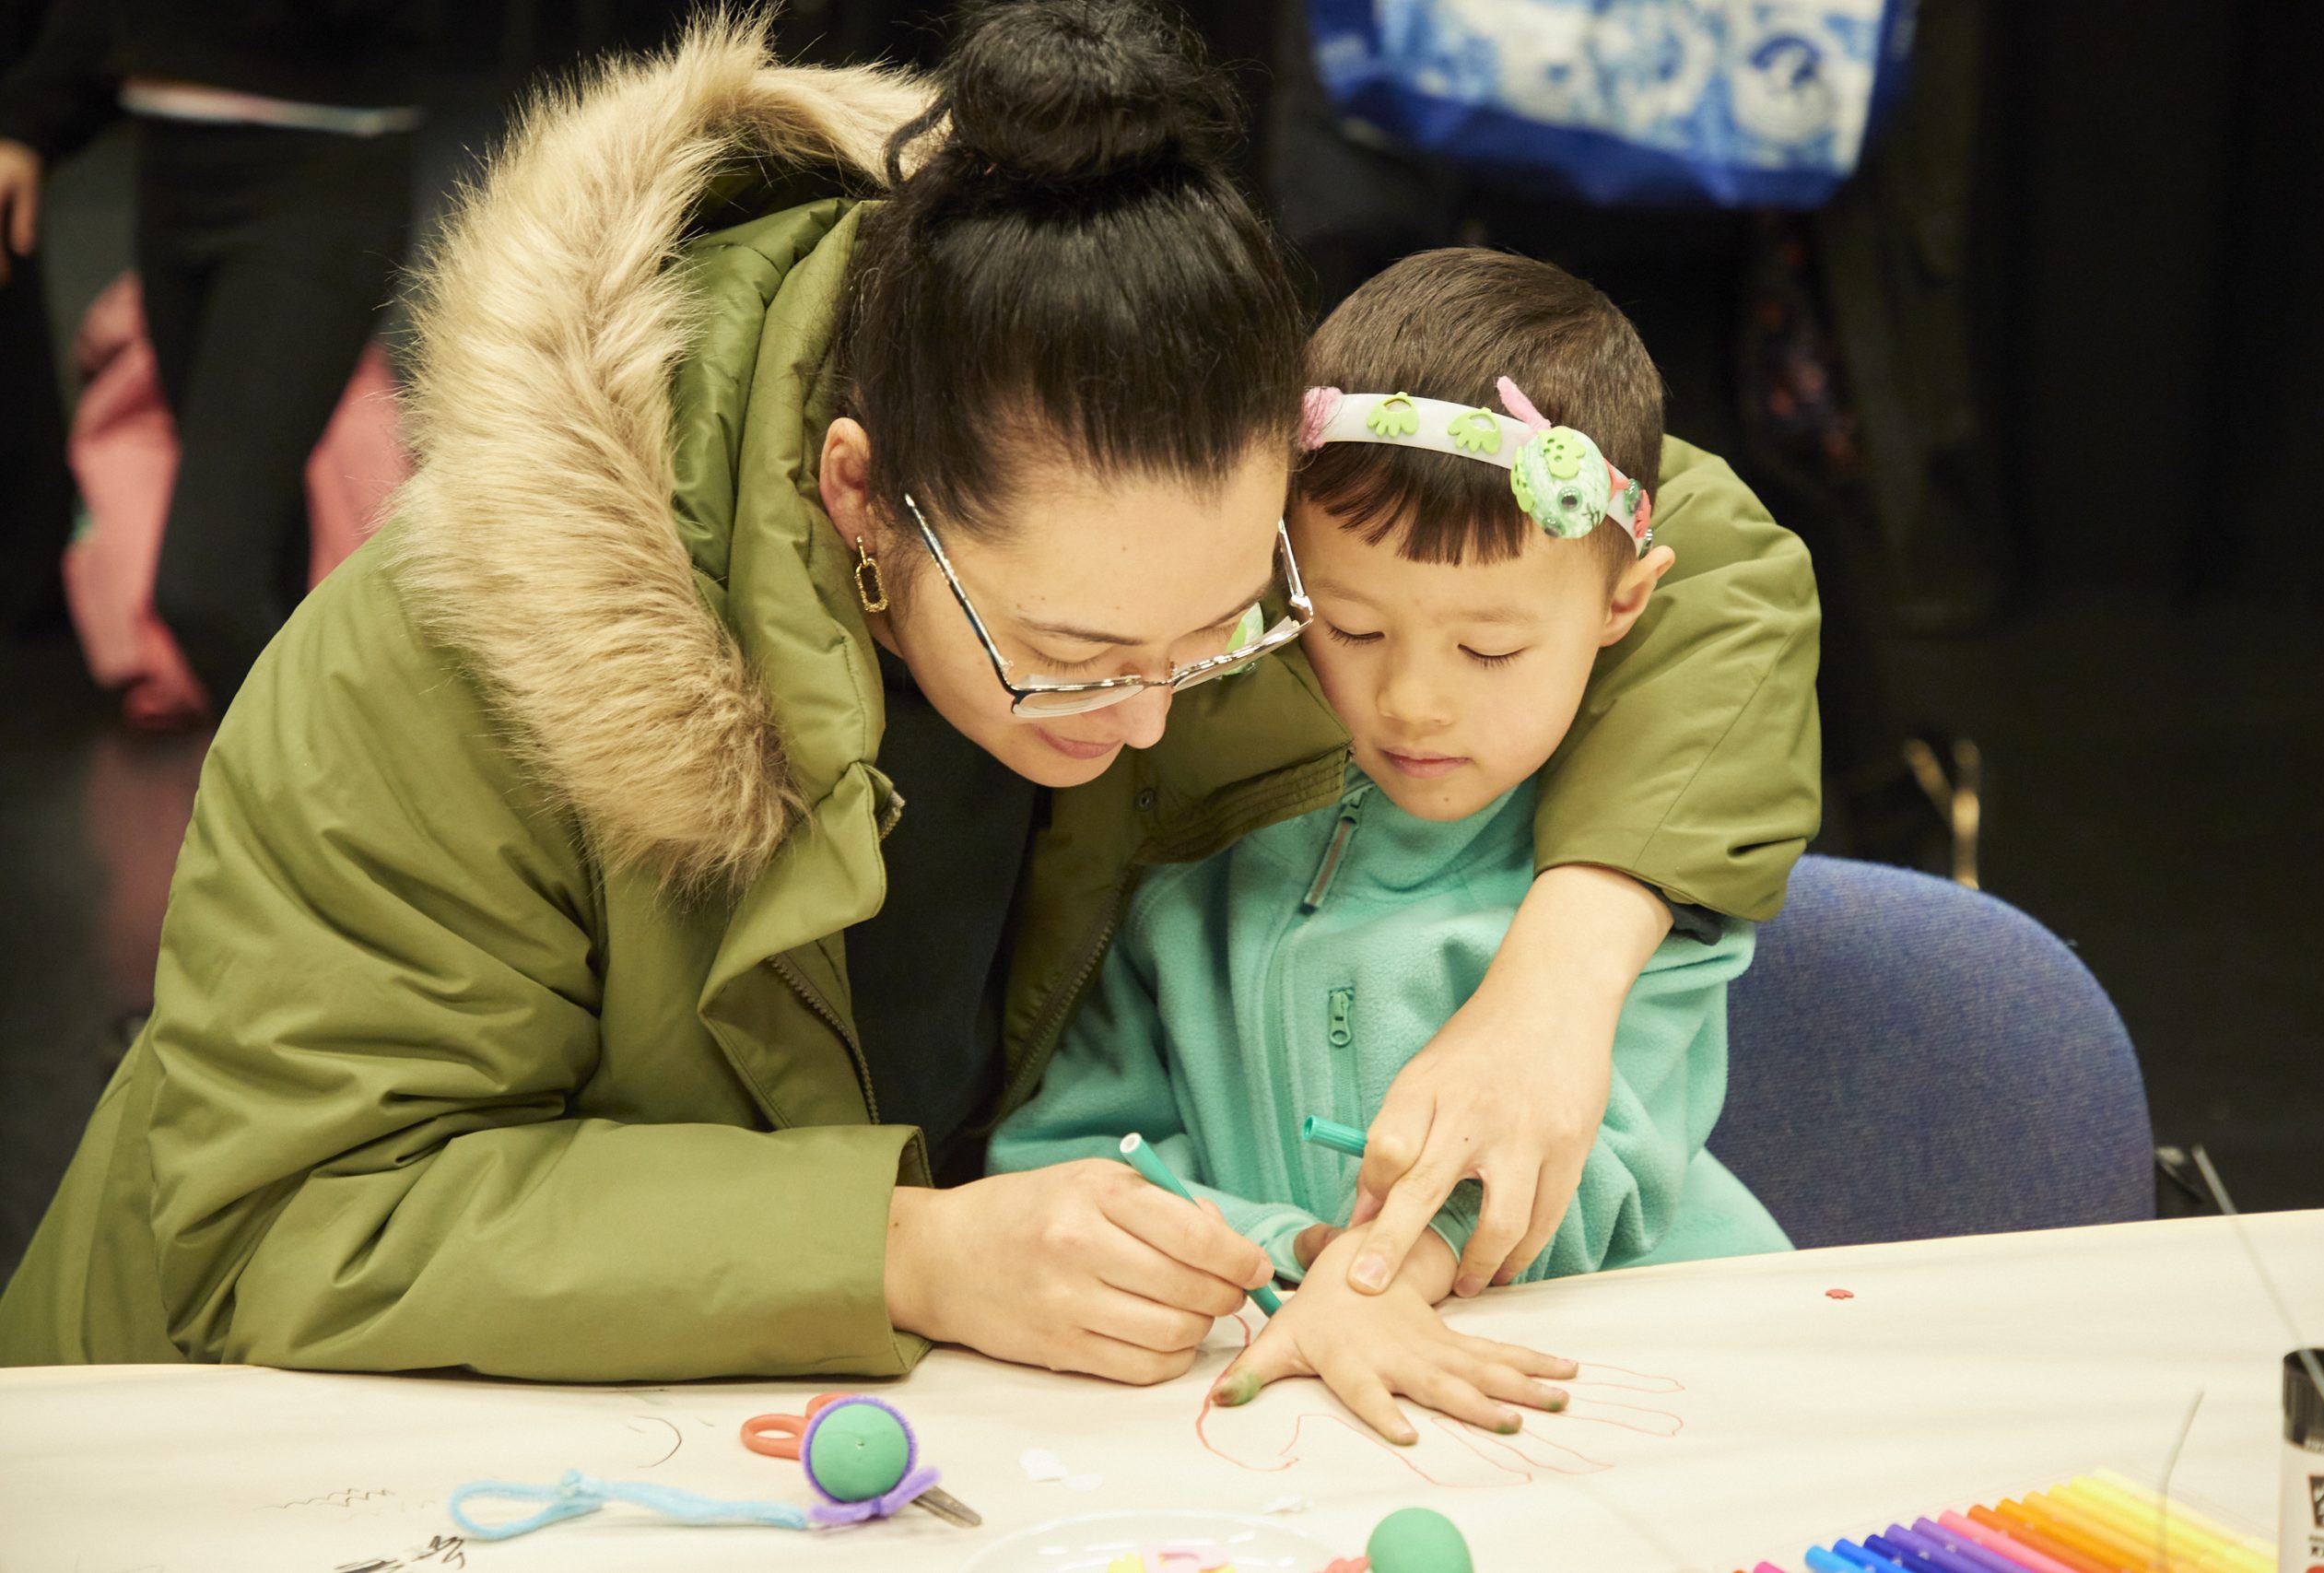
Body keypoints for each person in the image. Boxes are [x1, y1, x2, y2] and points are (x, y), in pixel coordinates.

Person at [0, 3, 1817, 1384]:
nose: (1153, 721)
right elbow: (297, 1223)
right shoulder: (451, 649)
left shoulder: (1264, 551)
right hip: (200, 1441)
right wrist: (891, 1251)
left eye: (1229, 632)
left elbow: (1699, 553)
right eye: (1072, 660)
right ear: (860, 496)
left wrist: (1559, 975)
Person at [989, 250, 1792, 1441]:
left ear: (1627, 604)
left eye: (1489, 651)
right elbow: (1077, 1149)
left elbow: (1595, 1168)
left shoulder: (1637, 888)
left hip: (1617, 1384)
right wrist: (1291, 1255)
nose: (1413, 701)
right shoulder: (1201, 854)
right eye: (1352, 626)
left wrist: (1380, 1275)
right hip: (1268, 1394)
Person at [0, 0, 427, 708]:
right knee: (266, 575)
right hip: (175, 177)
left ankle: (364, 803)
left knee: (207, 588)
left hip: (319, 175)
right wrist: (28, 123)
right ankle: (292, 808)